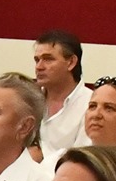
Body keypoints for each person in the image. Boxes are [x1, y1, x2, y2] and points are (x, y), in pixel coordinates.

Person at [33, 29, 90, 157]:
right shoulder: (29, 101)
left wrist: (40, 156)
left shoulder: (90, 104)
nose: (39, 67)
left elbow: (84, 159)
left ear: (71, 62)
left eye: (48, 59)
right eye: (37, 60)